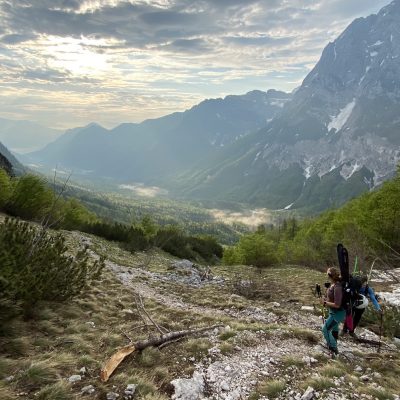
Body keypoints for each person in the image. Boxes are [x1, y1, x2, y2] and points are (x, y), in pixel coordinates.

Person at [321, 267, 346, 356]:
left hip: (338, 313)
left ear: (330, 275)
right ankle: (333, 345)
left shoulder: (338, 287)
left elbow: (337, 304)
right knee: (334, 329)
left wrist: (325, 302)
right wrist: (326, 300)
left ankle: (334, 348)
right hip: (333, 311)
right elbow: (331, 299)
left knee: (325, 329)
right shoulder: (333, 285)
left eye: (327, 274)